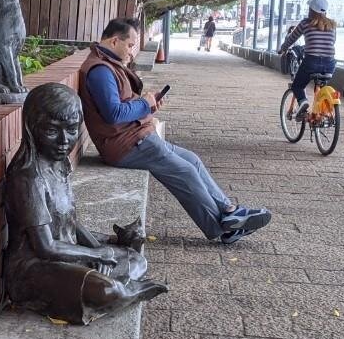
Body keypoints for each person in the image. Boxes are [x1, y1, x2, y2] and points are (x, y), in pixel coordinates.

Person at [77, 18, 272, 245]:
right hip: (125, 144)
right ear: (113, 41)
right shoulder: (100, 70)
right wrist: (144, 104)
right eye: (130, 45)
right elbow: (113, 113)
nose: (132, 52)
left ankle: (229, 210)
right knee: (185, 171)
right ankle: (223, 229)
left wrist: (147, 106)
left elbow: (119, 107)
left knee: (192, 160)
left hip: (136, 136)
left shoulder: (107, 63)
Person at [4, 83, 167, 325]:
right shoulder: (28, 177)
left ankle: (111, 285)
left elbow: (71, 222)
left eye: (71, 130)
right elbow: (46, 247)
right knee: (107, 291)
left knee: (136, 260)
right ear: (31, 127)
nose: (63, 140)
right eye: (51, 131)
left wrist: (102, 253)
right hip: (34, 267)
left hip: (67, 253)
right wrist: (95, 254)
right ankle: (123, 291)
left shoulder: (58, 164)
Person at [279, 0, 336, 118]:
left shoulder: (305, 23)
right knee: (321, 85)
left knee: (297, 86)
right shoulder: (332, 25)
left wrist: (282, 49)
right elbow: (331, 42)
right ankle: (321, 111)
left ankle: (303, 102)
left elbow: (292, 38)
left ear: (311, 10)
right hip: (330, 63)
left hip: (311, 62)